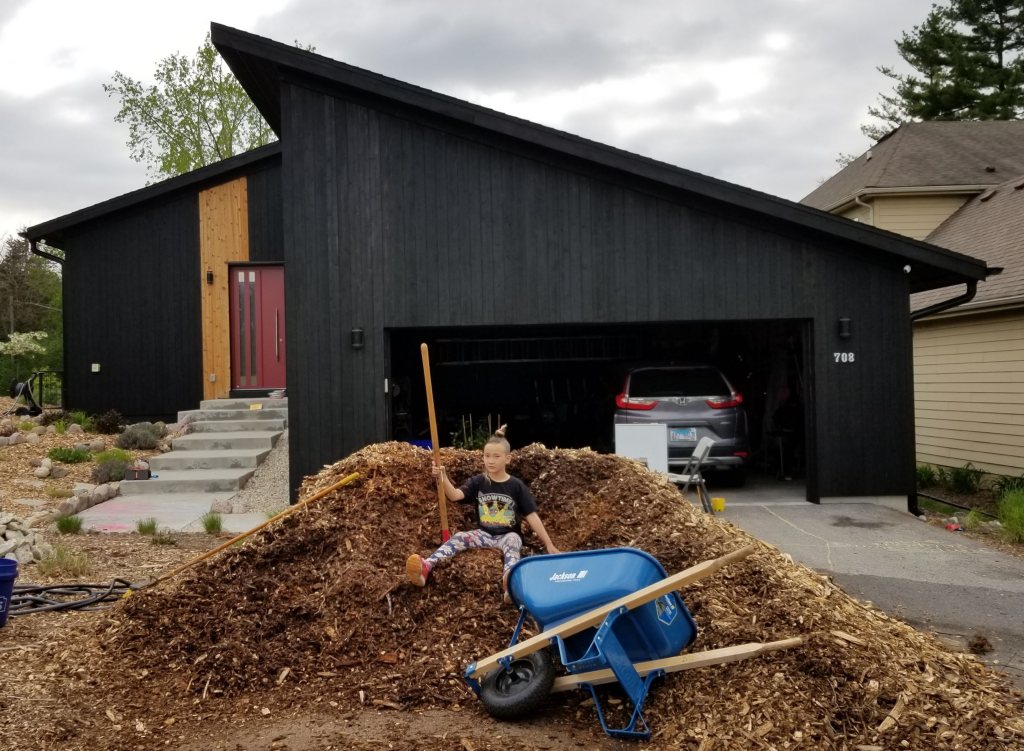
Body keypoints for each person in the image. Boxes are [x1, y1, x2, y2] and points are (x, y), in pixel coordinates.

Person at [406, 427, 560, 598]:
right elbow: (455, 495)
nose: (490, 461)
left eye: (496, 456)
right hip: (484, 534)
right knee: (459, 537)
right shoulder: (479, 482)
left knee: (513, 543)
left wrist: (548, 544)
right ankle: (426, 566)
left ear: (508, 459)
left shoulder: (516, 486)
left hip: (507, 534)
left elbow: (531, 515)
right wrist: (442, 476)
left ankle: (510, 585)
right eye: (487, 456)